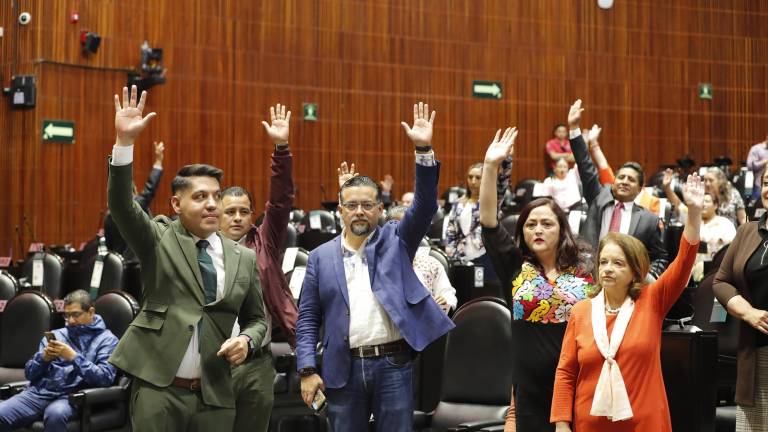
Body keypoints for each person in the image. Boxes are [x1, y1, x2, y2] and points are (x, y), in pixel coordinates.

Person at [106, 86, 267, 431]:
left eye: (216, 196)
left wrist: (248, 340)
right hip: (159, 389)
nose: (212, 204)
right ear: (177, 205)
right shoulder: (158, 239)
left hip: (216, 394)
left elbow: (257, 319)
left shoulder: (244, 257)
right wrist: (124, 144)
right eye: (200, 196)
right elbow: (121, 206)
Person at [295, 102, 454, 432]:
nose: (359, 212)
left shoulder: (396, 241)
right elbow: (308, 318)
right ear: (340, 210)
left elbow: (424, 206)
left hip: (392, 365)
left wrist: (423, 150)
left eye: (368, 205)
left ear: (380, 209)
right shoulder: (320, 257)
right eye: (351, 205)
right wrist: (307, 369)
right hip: (343, 369)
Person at [550, 173, 704, 431]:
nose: (608, 269)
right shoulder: (582, 311)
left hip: (644, 423)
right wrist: (561, 424)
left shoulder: (652, 301)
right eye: (603, 262)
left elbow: (684, 262)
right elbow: (566, 372)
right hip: (590, 424)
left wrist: (694, 212)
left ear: (636, 271)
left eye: (618, 263)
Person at [479, 127, 594, 432]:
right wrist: (491, 167)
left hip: (580, 386)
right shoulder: (516, 267)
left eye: (546, 223)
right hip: (529, 394)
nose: (537, 230)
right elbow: (489, 221)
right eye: (530, 225)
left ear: (562, 229)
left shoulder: (585, 271)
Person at [218, 103, 298, 432]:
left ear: (253, 216)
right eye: (230, 211)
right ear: (217, 216)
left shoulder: (265, 241)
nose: (237, 217)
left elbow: (280, 201)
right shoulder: (200, 251)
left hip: (256, 362)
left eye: (244, 211)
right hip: (213, 364)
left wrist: (281, 150)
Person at [567, 100, 669, 278]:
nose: (624, 181)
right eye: (621, 177)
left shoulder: (648, 220)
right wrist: (574, 128)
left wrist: (647, 278)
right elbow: (585, 164)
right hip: (589, 276)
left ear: (639, 189)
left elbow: (660, 257)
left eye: (631, 179)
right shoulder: (598, 196)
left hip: (626, 284)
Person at [0, 290, 118, 432]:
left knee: (55, 414)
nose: (71, 321)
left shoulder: (107, 340)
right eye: (67, 315)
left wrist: (74, 358)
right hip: (39, 393)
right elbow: (29, 374)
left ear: (91, 312)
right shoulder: (56, 335)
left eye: (76, 314)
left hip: (72, 398)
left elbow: (105, 378)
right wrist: (43, 359)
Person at [713, 168, 768, 432]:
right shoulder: (747, 232)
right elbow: (720, 281)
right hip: (754, 354)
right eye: (767, 183)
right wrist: (747, 312)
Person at [443, 157, 511, 282]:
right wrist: (452, 255)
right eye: (470, 177)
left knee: (483, 295)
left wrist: (507, 160)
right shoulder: (458, 204)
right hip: (461, 258)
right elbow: (450, 232)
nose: (473, 181)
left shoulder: (490, 202)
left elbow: (503, 181)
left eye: (478, 178)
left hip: (485, 256)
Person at [386, 205, 457, 314]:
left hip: (425, 321)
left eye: (408, 227)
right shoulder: (378, 262)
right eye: (398, 227)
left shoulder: (431, 263)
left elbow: (448, 294)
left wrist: (445, 300)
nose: (403, 232)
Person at [103, 140, 165, 262]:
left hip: (120, 265)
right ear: (132, 190)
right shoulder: (131, 206)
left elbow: (109, 245)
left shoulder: (108, 216)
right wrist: (158, 161)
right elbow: (150, 189)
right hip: (139, 264)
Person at [746, 135, 768, 200]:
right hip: (759, 186)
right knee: (757, 208)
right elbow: (749, 166)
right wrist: (765, 162)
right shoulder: (756, 149)